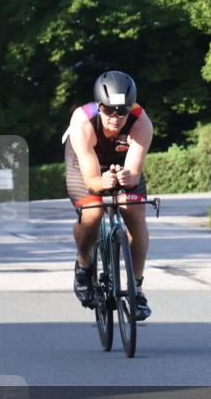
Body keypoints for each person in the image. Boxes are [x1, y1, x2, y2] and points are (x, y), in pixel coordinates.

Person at [64, 70, 154, 320]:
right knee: (92, 213)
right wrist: (100, 182)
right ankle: (84, 264)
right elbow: (91, 180)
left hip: (121, 163)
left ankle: (137, 289)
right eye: (108, 110)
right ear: (98, 105)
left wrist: (126, 177)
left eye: (122, 111)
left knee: (133, 211)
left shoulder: (141, 122)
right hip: (84, 164)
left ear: (131, 107)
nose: (115, 117)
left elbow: (133, 175)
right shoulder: (82, 121)